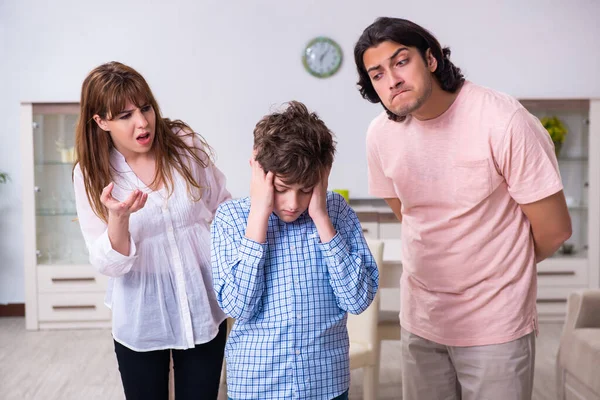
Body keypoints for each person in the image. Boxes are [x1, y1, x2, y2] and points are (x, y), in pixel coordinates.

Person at [353, 17, 572, 400]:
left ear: (431, 59)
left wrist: (496, 268)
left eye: (401, 61)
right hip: (421, 320)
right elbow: (410, 214)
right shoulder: (380, 135)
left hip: (496, 324)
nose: (392, 79)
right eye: (377, 74)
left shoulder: (502, 120)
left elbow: (554, 229)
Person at [73, 61, 230, 400]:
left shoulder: (184, 145)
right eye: (125, 115)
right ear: (101, 122)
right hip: (142, 315)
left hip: (203, 304)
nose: (142, 122)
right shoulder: (90, 174)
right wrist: (118, 219)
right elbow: (107, 264)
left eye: (145, 108)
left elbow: (223, 205)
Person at [210, 101, 379, 400]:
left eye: (306, 189)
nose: (292, 203)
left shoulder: (336, 212)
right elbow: (238, 308)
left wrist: (322, 219)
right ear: (257, 170)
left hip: (326, 384)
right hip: (257, 386)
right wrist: (259, 217)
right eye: (281, 188)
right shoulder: (231, 219)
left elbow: (357, 300)